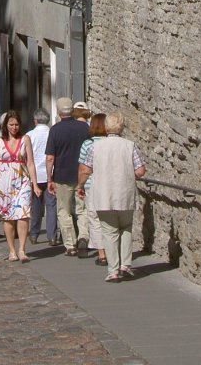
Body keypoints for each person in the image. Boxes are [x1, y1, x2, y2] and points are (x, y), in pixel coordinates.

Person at [78, 110, 146, 282]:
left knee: (109, 232)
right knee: (126, 229)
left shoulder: (95, 146)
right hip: (125, 193)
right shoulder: (129, 145)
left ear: (107, 127)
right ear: (121, 126)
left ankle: (113, 270)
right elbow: (140, 170)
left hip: (104, 194)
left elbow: (86, 169)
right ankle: (125, 265)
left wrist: (80, 186)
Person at [0, 110, 40, 262]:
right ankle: (11, 250)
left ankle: (22, 250)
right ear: (6, 125)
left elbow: (30, 163)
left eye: (17, 124)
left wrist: (35, 184)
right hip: (3, 182)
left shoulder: (25, 139)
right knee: (8, 217)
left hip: (22, 180)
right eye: (11, 124)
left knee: (23, 214)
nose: (14, 127)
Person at [46, 96, 90, 256]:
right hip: (81, 174)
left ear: (58, 112)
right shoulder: (83, 127)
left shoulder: (55, 130)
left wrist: (49, 178)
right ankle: (84, 235)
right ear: (71, 110)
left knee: (64, 210)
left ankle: (70, 245)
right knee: (82, 209)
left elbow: (50, 157)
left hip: (62, 176)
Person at [78, 112, 107, 266]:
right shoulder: (111, 143)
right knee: (109, 220)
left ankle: (102, 254)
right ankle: (111, 251)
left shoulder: (87, 144)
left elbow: (83, 168)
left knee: (95, 219)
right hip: (109, 185)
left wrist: (80, 186)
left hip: (92, 186)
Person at [26, 108, 58, 246]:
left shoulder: (30, 135)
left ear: (35, 120)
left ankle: (34, 233)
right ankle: (52, 236)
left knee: (36, 206)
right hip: (50, 173)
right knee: (51, 205)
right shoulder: (53, 133)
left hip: (35, 175)